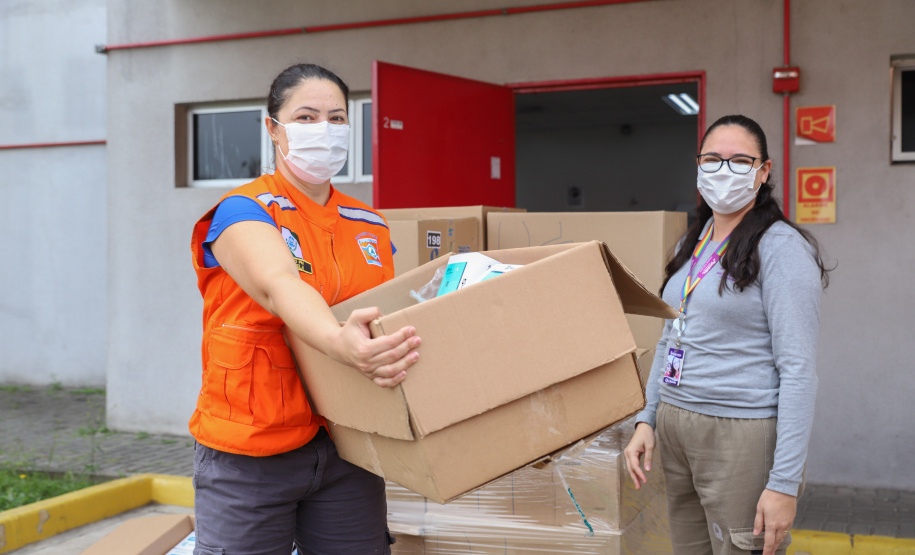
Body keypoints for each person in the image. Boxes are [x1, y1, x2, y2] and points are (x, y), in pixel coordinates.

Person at [188, 63, 421, 555]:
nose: (326, 130)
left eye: (337, 119)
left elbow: (386, 312)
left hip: (347, 445)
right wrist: (340, 342)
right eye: (307, 117)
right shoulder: (244, 209)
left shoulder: (369, 223)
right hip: (250, 447)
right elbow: (278, 285)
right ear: (273, 128)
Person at [623, 115, 831, 555]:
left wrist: (784, 484)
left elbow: (798, 372)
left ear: (764, 171)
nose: (724, 170)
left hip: (738, 435)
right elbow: (669, 337)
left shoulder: (781, 249)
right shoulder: (692, 244)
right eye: (713, 159)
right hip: (678, 428)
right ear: (698, 166)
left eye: (740, 160)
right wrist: (648, 417)